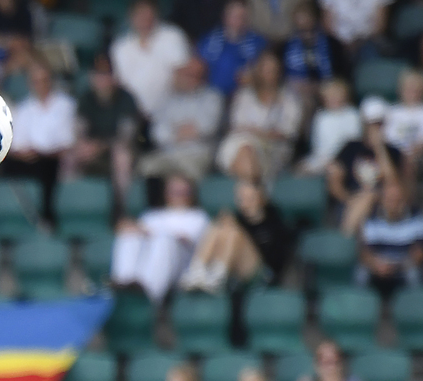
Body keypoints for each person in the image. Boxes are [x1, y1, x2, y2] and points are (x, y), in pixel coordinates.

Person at [112, 174, 209, 305]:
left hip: (181, 268)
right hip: (146, 262)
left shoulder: (198, 217)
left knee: (165, 241)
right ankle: (124, 283)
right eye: (174, 191)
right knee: (130, 236)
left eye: (182, 192)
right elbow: (128, 229)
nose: (178, 195)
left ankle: (149, 294)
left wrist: (150, 233)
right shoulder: (152, 215)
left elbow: (185, 240)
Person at [183, 177, 292, 292]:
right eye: (242, 199)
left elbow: (277, 258)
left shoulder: (275, 220)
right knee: (219, 225)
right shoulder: (237, 219)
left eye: (250, 198)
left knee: (233, 231)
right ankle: (197, 270)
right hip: (236, 273)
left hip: (264, 275)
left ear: (261, 197)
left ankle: (217, 277)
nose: (245, 204)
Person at [216, 49, 302, 184]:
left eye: (273, 70)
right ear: (258, 71)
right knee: (244, 148)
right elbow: (237, 125)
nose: (269, 74)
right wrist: (259, 132)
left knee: (247, 150)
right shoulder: (244, 95)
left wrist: (257, 132)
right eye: (266, 70)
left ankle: (248, 193)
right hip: (241, 143)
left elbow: (288, 132)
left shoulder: (289, 99)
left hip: (274, 148)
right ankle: (252, 195)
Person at [1, 64, 75, 219]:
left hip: (55, 158)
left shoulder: (65, 105)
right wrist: (25, 154)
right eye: (36, 81)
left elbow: (67, 141)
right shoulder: (24, 108)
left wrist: (45, 153)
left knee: (47, 166)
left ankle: (48, 216)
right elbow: (18, 144)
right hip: (31, 159)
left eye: (44, 80)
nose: (41, 85)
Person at [327, 99, 405, 235]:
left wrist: (379, 148)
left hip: (383, 200)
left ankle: (346, 237)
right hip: (352, 198)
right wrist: (348, 199)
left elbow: (392, 182)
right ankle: (349, 239)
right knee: (364, 200)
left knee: (369, 196)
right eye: (372, 123)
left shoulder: (393, 151)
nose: (375, 128)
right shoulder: (350, 147)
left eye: (379, 123)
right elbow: (334, 179)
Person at [139, 59, 223, 182]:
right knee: (146, 166)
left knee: (189, 172)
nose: (188, 78)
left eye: (194, 75)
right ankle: (156, 201)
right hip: (167, 154)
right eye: (185, 74)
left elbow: (208, 127)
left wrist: (175, 131)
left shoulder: (212, 97)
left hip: (198, 154)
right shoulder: (166, 99)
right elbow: (157, 134)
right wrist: (183, 131)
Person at [111, 0, 193, 117]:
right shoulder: (120, 47)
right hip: (132, 115)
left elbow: (186, 76)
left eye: (148, 14)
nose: (145, 18)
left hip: (169, 114)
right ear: (131, 17)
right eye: (140, 14)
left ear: (156, 15)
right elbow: (118, 84)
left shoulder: (173, 36)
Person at [74, 55, 140, 195]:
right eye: (98, 75)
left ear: (113, 77)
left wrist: (101, 146)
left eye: (106, 75)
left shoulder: (126, 98)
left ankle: (120, 207)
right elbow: (79, 130)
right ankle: (72, 203)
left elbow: (126, 136)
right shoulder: (86, 98)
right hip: (92, 150)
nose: (102, 79)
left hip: (118, 148)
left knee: (122, 156)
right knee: (70, 156)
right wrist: (84, 144)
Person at [357, 181, 423, 297]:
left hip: (404, 265)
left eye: (398, 199)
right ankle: (358, 310)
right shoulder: (372, 217)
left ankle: (415, 310)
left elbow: (420, 253)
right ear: (382, 200)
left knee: (413, 273)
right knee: (361, 272)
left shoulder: (417, 217)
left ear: (404, 201)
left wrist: (398, 266)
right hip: (379, 266)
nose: (394, 203)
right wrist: (376, 264)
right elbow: (365, 252)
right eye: (390, 199)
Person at [384, 69, 423, 180]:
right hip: (394, 153)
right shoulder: (392, 111)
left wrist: (412, 152)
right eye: (409, 90)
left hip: (420, 156)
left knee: (408, 162)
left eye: (416, 90)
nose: (413, 94)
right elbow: (387, 139)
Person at [197, 0, 265, 98]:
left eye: (243, 17)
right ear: (225, 16)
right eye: (235, 16)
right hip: (209, 94)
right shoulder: (207, 40)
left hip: (245, 95)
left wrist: (253, 76)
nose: (239, 21)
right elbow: (197, 70)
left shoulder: (258, 43)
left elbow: (266, 74)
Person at [281, 2, 347, 99]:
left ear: (313, 18)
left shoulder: (331, 43)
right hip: (298, 91)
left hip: (327, 88)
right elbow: (285, 76)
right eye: (299, 18)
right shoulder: (287, 45)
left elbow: (340, 73)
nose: (302, 22)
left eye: (305, 17)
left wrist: (321, 86)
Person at [300, 77, 361, 175]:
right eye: (330, 96)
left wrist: (335, 160)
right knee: (300, 168)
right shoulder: (321, 117)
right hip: (323, 158)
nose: (333, 99)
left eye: (336, 95)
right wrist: (324, 160)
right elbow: (317, 145)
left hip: (345, 159)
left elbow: (353, 142)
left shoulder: (353, 115)